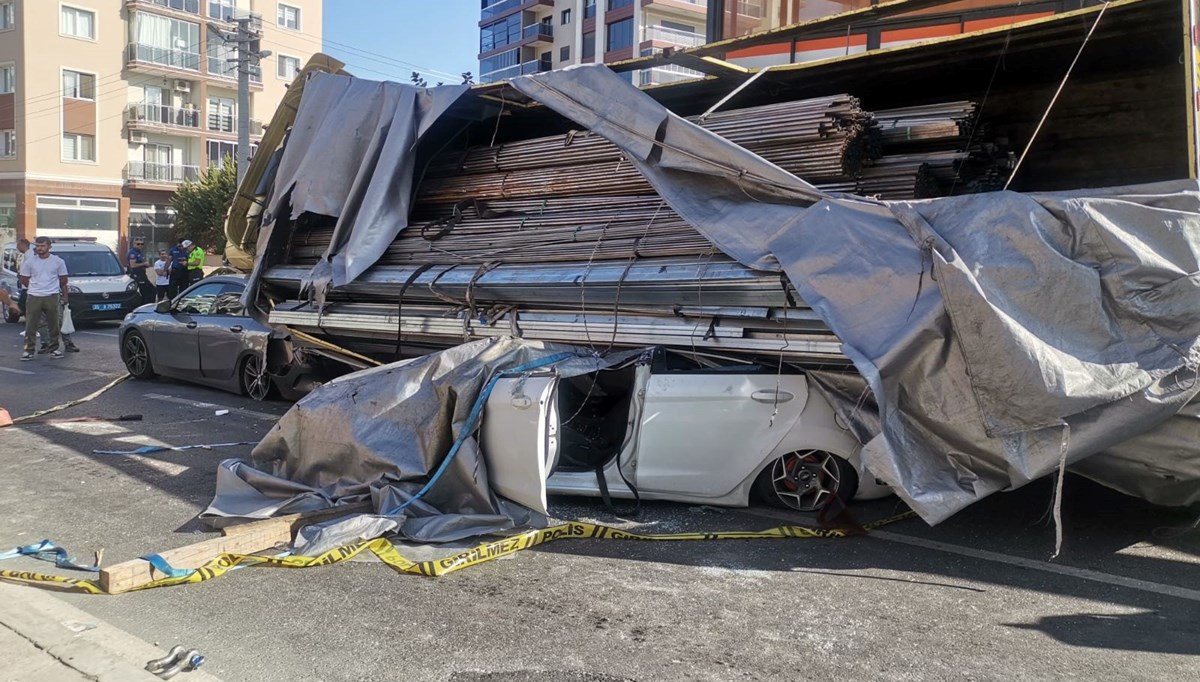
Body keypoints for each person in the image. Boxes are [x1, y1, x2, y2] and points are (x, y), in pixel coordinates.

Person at [17, 237, 68, 360]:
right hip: (34, 296)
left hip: (52, 295)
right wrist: (35, 288)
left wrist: (55, 289)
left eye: (43, 246)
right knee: (31, 325)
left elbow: (63, 279)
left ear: (49, 247)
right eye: (38, 246)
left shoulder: (58, 261)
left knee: (54, 324)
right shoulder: (30, 262)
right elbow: (24, 278)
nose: (40, 248)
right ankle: (29, 350)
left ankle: (54, 349)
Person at [126, 238, 154, 304]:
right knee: (147, 292)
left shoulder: (139, 252)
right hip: (137, 274)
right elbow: (133, 265)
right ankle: (145, 306)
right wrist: (144, 264)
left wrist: (145, 265)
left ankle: (147, 305)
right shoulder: (133, 253)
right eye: (138, 244)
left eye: (142, 244)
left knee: (151, 290)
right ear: (134, 244)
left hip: (142, 273)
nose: (140, 245)